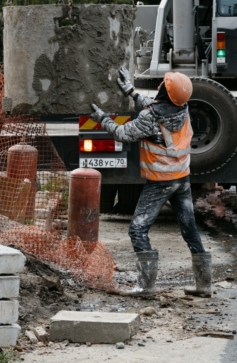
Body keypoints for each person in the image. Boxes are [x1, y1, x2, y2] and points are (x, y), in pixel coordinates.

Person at [90, 67, 211, 298]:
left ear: (164, 91)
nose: (158, 87)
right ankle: (204, 284)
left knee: (137, 230)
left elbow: (123, 133)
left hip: (160, 182)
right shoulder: (183, 110)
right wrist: (131, 92)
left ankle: (145, 286)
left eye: (162, 85)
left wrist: (102, 119)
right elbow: (154, 106)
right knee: (189, 229)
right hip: (181, 180)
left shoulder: (150, 118)